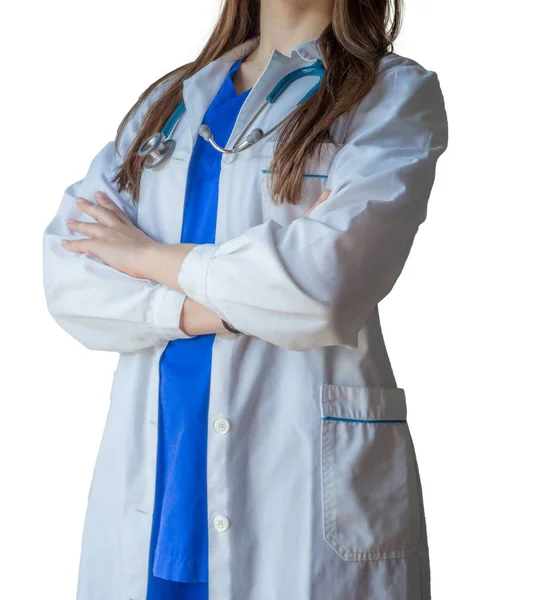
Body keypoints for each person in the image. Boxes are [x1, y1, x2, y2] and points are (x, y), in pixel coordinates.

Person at [42, 0, 449, 598]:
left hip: (294, 488)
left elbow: (324, 286)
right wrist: (199, 310)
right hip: (159, 486)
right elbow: (70, 277)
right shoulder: (171, 101)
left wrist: (143, 257)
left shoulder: (389, 95)